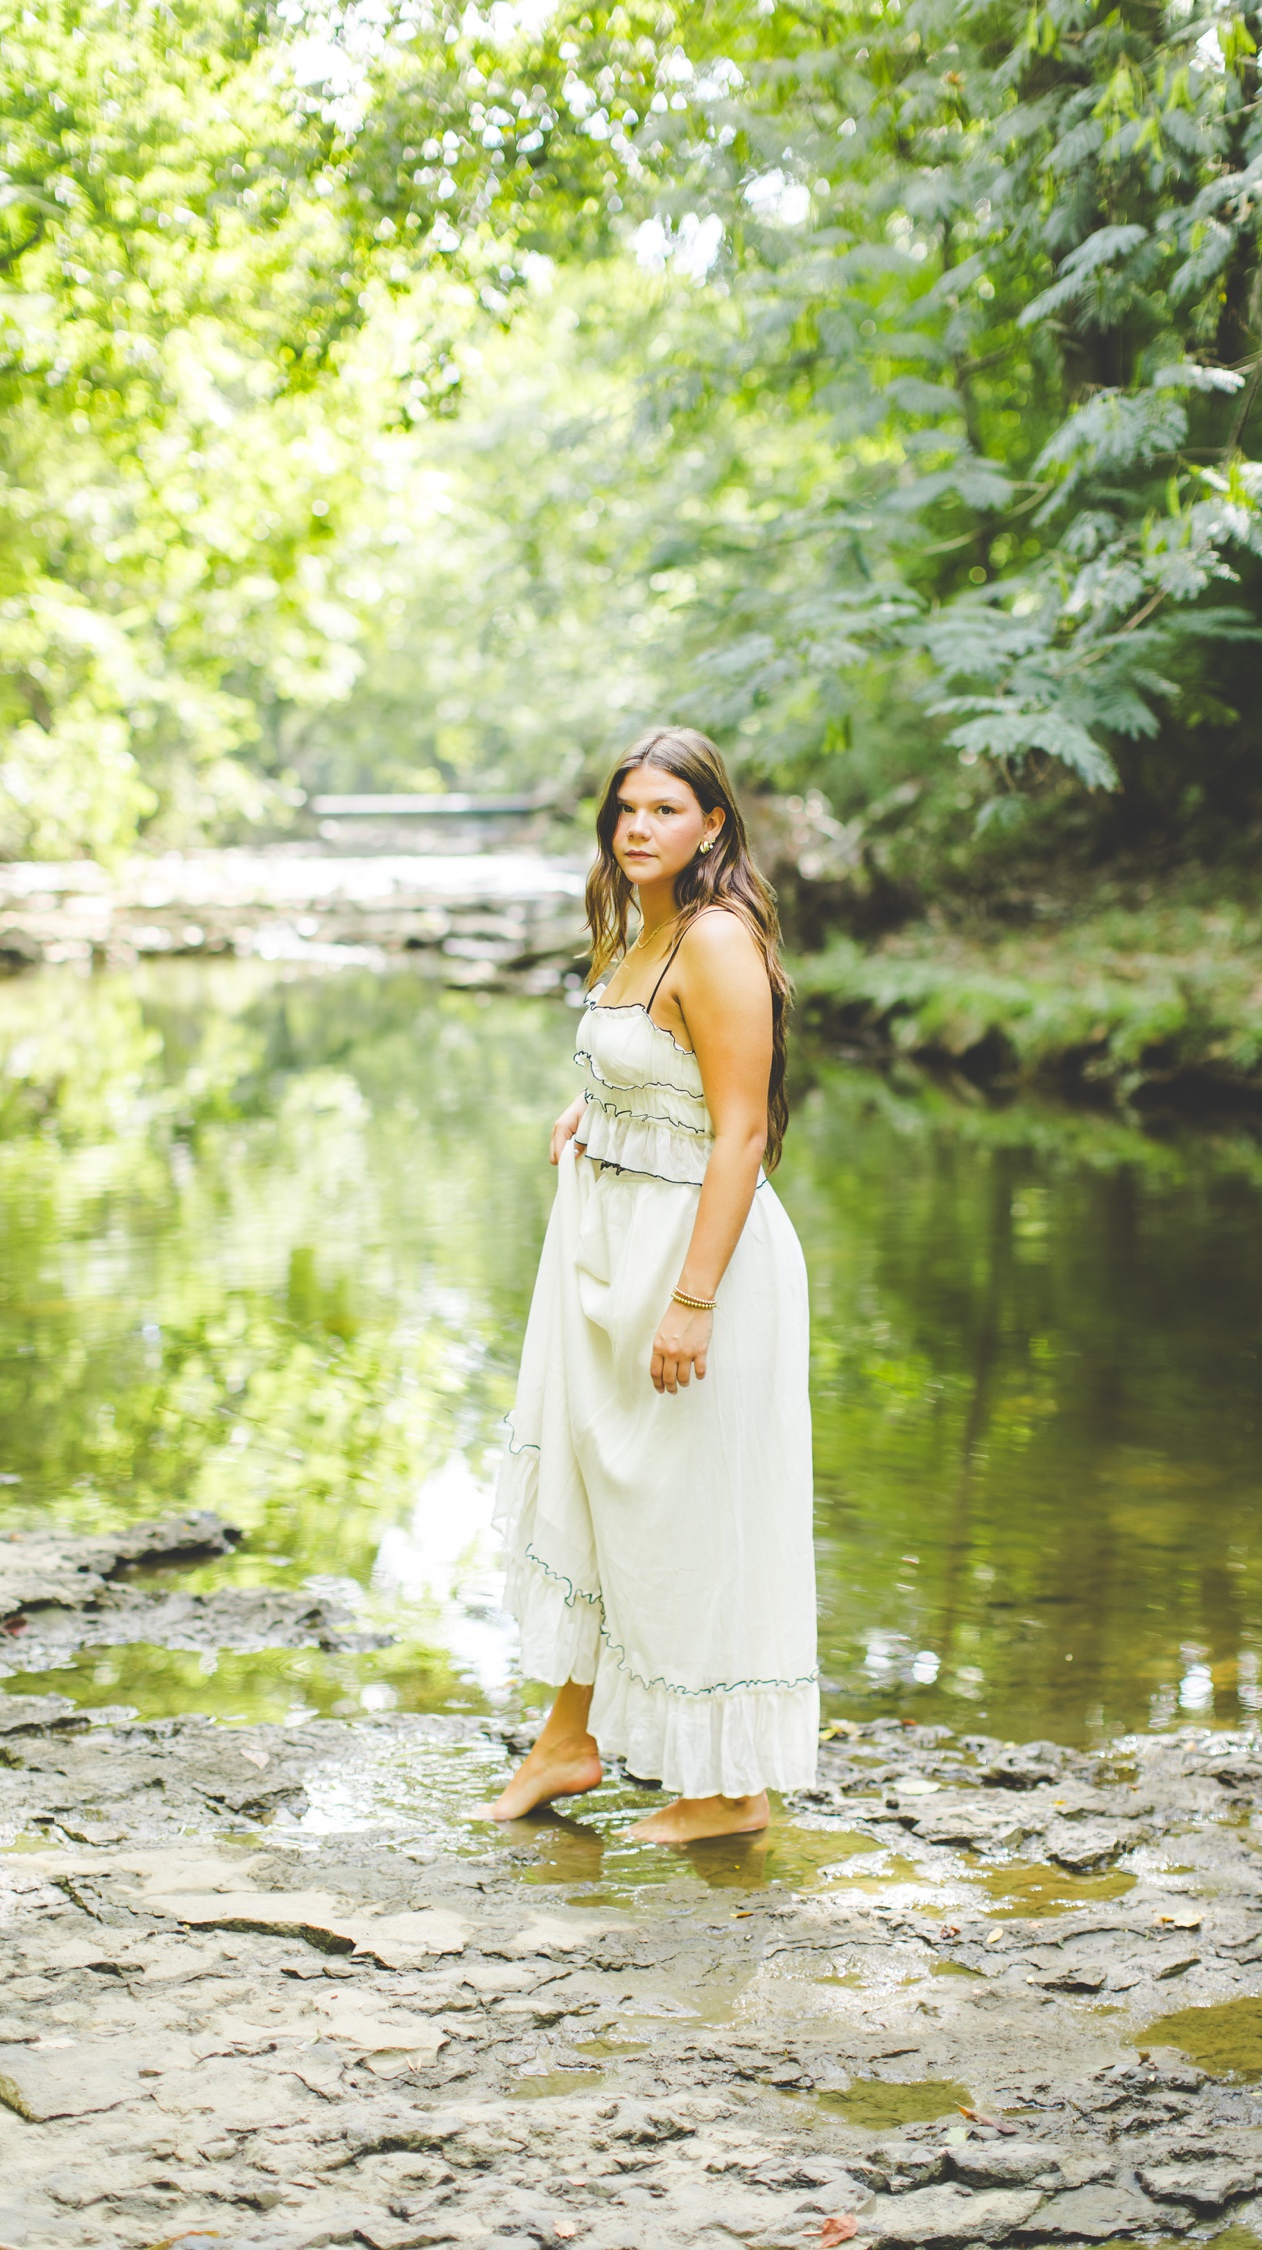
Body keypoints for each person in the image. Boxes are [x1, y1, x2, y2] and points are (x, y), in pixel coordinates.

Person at [481, 725, 819, 1843]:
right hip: (609, 1247)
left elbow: (741, 1133)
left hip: (689, 1257)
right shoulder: (647, 927)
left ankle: (730, 1793)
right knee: (600, 1490)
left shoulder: (715, 937)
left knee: (689, 1514)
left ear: (712, 826)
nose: (639, 827)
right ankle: (566, 1740)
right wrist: (596, 1106)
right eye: (627, 808)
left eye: (666, 810)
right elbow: (660, 1062)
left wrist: (693, 1300)